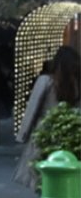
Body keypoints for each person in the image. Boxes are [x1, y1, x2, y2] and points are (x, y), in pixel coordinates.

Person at [18, 45, 81, 188]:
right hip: (71, 134)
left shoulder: (46, 81)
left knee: (42, 179)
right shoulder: (77, 84)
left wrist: (23, 135)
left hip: (45, 133)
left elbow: (32, 108)